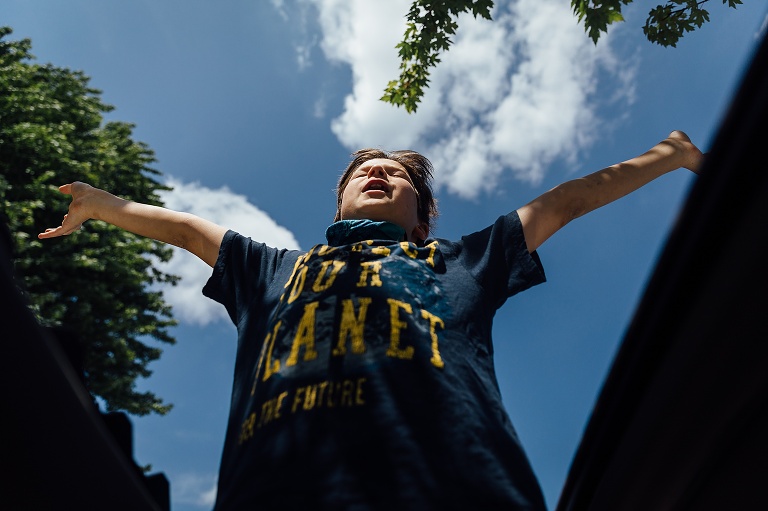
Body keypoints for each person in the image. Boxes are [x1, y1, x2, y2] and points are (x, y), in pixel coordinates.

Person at [40, 131, 703, 510]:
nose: (379, 170)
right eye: (366, 169)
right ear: (339, 199)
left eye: (395, 173)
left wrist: (668, 155)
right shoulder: (272, 271)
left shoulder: (462, 262)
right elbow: (187, 230)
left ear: (421, 218)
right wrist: (102, 204)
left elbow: (563, 202)